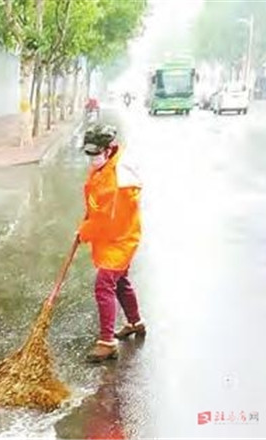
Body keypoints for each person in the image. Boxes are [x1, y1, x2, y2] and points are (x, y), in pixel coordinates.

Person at [78, 124, 146, 362]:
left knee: (104, 285)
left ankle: (107, 342)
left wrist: (84, 232)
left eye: (95, 153)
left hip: (120, 239)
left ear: (108, 149)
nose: (92, 158)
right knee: (121, 281)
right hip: (119, 236)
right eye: (89, 152)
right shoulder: (109, 165)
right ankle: (135, 322)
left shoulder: (114, 181)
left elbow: (104, 220)